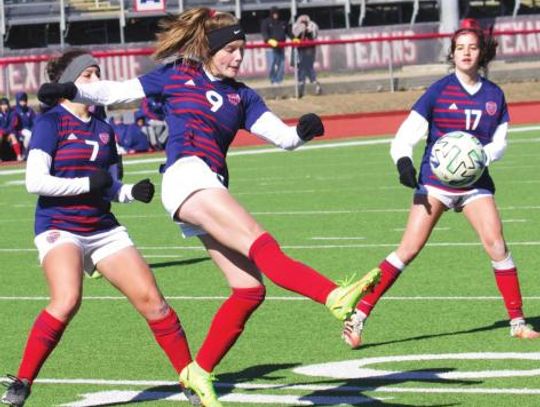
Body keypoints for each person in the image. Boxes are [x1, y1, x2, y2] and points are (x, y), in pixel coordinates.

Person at [38, 8, 380, 407]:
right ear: (210, 49)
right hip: (185, 175)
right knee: (259, 240)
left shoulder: (243, 96)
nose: (238, 57)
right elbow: (114, 93)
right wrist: (69, 92)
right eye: (231, 49)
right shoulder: (178, 74)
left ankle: (198, 371)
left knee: (249, 290)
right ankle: (334, 297)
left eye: (242, 50)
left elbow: (283, 138)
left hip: (208, 184)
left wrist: (302, 133)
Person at [1, 50, 195, 407]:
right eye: (89, 75)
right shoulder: (50, 123)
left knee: (154, 302)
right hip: (60, 226)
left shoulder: (104, 129)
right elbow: (35, 182)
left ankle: (190, 381)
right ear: (70, 84)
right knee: (67, 300)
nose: (97, 81)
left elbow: (107, 185)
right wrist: (85, 185)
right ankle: (22, 382)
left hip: (102, 227)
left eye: (98, 75)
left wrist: (130, 193)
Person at [341, 25, 540, 350]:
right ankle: (357, 316)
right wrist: (403, 163)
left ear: (481, 53)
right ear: (451, 53)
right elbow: (405, 136)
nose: (465, 52)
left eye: (472, 47)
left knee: (497, 245)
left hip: (475, 184)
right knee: (408, 249)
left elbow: (500, 143)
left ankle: (517, 322)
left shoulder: (494, 95)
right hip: (435, 183)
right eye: (459, 47)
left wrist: (478, 156)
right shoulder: (438, 91)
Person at [292, 14, 322, 98]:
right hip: (300, 49)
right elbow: (294, 35)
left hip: (309, 49)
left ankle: (314, 83)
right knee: (301, 67)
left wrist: (309, 31)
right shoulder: (296, 25)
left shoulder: (312, 25)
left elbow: (315, 36)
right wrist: (301, 31)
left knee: (308, 66)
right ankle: (301, 84)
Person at [260, 6, 289, 85]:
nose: (276, 15)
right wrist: (268, 40)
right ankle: (273, 80)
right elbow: (264, 32)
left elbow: (288, 31)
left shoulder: (282, 22)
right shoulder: (266, 22)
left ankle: (279, 80)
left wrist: (294, 38)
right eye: (274, 13)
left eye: (277, 13)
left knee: (281, 64)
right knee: (272, 63)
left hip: (281, 46)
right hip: (271, 47)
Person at [0, 97, 23, 161]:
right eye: (2, 105)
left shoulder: (13, 113)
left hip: (10, 132)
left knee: (13, 136)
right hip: (1, 133)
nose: (4, 106)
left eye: (5, 104)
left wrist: (6, 132)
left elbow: (12, 125)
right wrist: (2, 132)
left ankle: (19, 156)